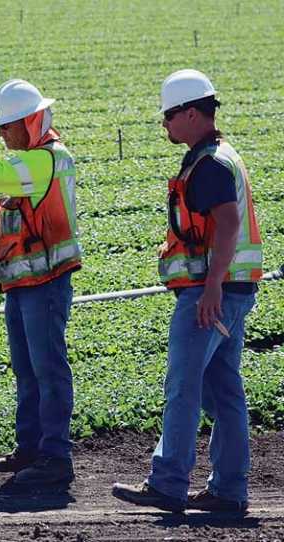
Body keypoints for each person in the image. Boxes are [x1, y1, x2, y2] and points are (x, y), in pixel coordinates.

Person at [112, 70, 262, 513]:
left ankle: (168, 483)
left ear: (192, 113)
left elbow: (229, 224)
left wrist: (212, 286)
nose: (165, 124)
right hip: (232, 290)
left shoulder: (210, 164)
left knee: (183, 386)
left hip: (209, 292)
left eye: (169, 115)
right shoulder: (220, 156)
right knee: (225, 391)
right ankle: (229, 491)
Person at [0, 79, 81, 486]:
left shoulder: (47, 161)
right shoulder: (26, 164)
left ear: (29, 121)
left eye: (6, 126)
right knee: (26, 370)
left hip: (47, 284)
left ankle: (55, 457)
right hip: (23, 286)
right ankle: (30, 449)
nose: (1, 133)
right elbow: (0, 222)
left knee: (48, 370)